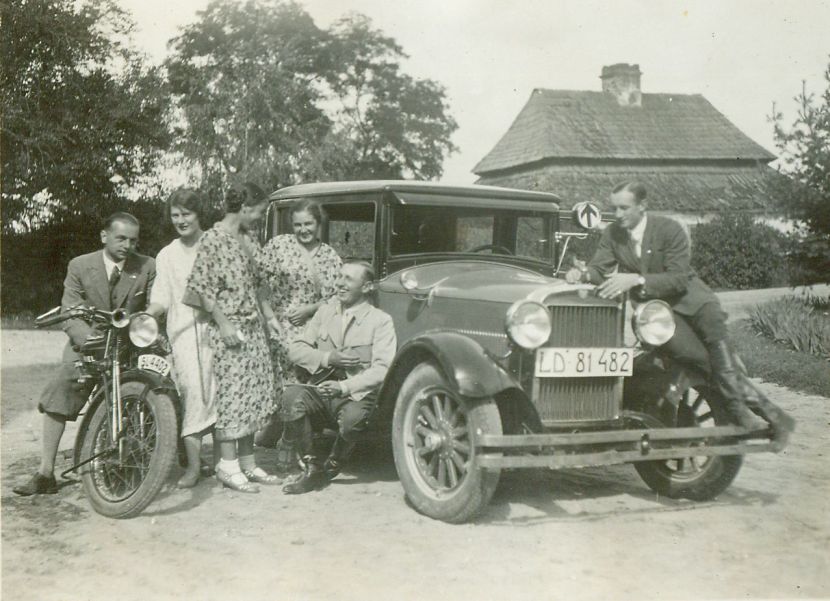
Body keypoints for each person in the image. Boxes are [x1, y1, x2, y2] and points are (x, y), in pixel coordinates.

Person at [564, 181, 762, 428]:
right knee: (698, 358)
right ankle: (745, 407)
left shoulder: (668, 229)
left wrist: (636, 280)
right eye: (614, 208)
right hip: (657, 315)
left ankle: (742, 410)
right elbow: (598, 269)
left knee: (716, 356)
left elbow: (678, 278)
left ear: (642, 205)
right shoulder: (613, 233)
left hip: (692, 303)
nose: (618, 215)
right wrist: (582, 274)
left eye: (624, 208)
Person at [14, 213, 155, 496]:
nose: (127, 246)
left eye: (133, 240)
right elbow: (70, 311)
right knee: (62, 387)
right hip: (89, 345)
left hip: (128, 346)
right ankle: (45, 472)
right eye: (121, 238)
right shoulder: (80, 265)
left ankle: (158, 454)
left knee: (153, 388)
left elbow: (153, 306)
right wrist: (89, 339)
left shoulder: (147, 266)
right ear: (104, 236)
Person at [183, 182, 281, 494]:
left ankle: (248, 462)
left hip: (254, 327)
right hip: (230, 327)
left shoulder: (249, 238)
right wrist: (223, 324)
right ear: (245, 208)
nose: (260, 218)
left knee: (253, 395)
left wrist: (271, 318)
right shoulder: (213, 239)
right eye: (259, 212)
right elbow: (199, 289)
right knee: (233, 397)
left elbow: (258, 284)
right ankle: (227, 465)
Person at [280, 261, 397, 495]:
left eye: (348, 279)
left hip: (356, 395)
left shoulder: (381, 321)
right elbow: (295, 349)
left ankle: (333, 464)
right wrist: (327, 358)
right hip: (322, 391)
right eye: (339, 277)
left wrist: (343, 386)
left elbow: (383, 369)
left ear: (367, 287)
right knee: (291, 397)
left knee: (353, 420)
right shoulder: (325, 313)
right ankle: (312, 468)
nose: (340, 284)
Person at [254, 199, 342, 466]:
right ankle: (285, 438)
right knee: (284, 383)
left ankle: (292, 442)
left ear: (318, 224)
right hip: (279, 328)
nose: (303, 230)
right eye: (298, 224)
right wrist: (269, 317)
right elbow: (258, 283)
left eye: (308, 224)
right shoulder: (278, 246)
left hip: (315, 329)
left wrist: (310, 309)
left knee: (303, 386)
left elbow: (338, 297)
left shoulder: (329, 256)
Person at [146, 189, 217, 488]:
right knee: (192, 396)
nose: (181, 220)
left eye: (186, 214)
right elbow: (161, 296)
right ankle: (194, 467)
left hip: (218, 329)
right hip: (184, 335)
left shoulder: (214, 244)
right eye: (175, 215)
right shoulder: (167, 254)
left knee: (222, 394)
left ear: (199, 214)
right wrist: (148, 315)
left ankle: (225, 463)